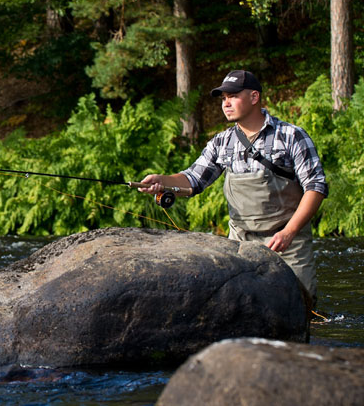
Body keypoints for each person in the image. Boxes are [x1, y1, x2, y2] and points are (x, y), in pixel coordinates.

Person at [138, 70, 328, 302]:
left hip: (289, 242)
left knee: (303, 309)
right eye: (223, 99)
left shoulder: (291, 136)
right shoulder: (222, 142)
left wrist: (289, 232)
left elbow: (316, 187)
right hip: (239, 245)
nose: (226, 104)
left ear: (254, 97)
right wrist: (162, 180)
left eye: (233, 96)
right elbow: (193, 178)